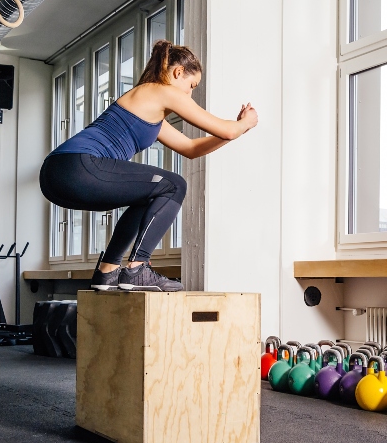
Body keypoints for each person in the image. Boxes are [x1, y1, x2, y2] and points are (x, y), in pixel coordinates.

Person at [39, 40, 259, 291]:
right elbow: (227, 129)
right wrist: (244, 124)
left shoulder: (149, 106)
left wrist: (236, 131)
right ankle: (137, 268)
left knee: (149, 195)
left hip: (56, 175)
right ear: (178, 73)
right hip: (78, 166)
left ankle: (108, 272)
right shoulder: (162, 91)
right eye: (191, 86)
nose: (189, 94)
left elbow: (191, 149)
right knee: (174, 185)